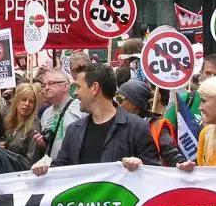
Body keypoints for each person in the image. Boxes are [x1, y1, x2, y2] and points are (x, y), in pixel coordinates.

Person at [31, 64, 160, 176]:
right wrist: (45, 168)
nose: (75, 93)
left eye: (78, 87)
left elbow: (155, 173)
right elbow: (60, 168)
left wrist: (141, 166)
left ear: (94, 88)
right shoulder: (74, 131)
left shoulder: (136, 127)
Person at [163, 53, 216, 159]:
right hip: (188, 164)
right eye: (208, 73)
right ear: (201, 73)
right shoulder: (184, 100)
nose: (211, 78)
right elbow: (164, 133)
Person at [116, 80, 188, 166]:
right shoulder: (116, 123)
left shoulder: (157, 126)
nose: (117, 104)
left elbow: (171, 155)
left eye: (120, 99)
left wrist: (181, 164)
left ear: (134, 103)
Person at [33, 69, 85, 160]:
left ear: (65, 86)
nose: (46, 88)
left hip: (74, 167)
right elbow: (50, 146)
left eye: (51, 83)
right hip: (52, 168)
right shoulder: (45, 113)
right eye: (44, 85)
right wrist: (43, 144)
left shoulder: (80, 108)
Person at [3, 83, 43, 165]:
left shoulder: (34, 128)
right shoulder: (8, 121)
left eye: (31, 101)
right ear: (17, 100)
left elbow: (31, 162)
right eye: (24, 99)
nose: (27, 104)